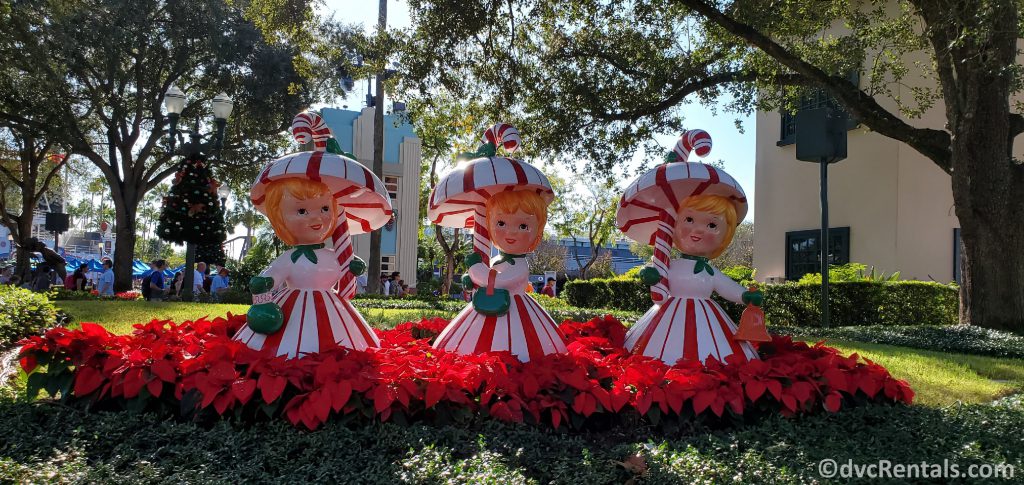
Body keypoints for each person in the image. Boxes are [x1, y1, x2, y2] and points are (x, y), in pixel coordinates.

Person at [234, 111, 393, 359]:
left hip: (333, 307)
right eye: (301, 210)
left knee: (351, 346)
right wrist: (267, 282)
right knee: (280, 349)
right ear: (279, 217)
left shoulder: (334, 254)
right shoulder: (290, 258)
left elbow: (343, 275)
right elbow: (274, 274)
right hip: (291, 308)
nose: (316, 217)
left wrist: (351, 266)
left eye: (325, 209)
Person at [617, 129, 763, 365]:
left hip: (709, 319)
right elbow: (657, 281)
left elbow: (725, 286)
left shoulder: (710, 272)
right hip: (666, 317)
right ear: (672, 226)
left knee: (719, 356)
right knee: (650, 352)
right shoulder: (670, 265)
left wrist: (745, 295)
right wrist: (652, 273)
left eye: (712, 225)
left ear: (726, 234)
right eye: (689, 220)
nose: (699, 230)